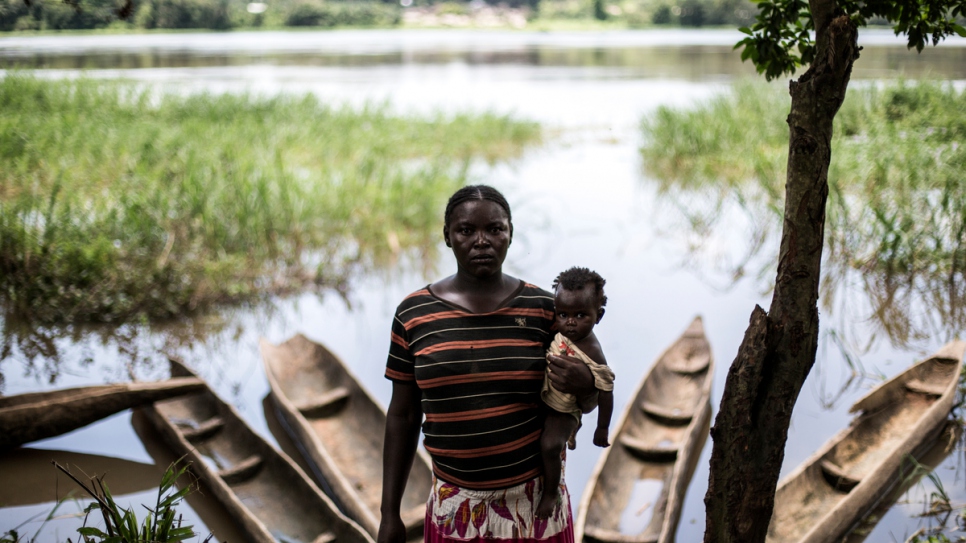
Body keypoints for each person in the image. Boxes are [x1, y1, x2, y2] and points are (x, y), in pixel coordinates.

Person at [378, 184, 599, 543]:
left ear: (510, 235)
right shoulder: (414, 315)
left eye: (495, 229)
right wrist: (390, 514)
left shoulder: (545, 310)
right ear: (447, 237)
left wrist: (587, 385)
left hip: (534, 503)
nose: (482, 241)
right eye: (466, 230)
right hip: (455, 506)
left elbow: (582, 403)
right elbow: (403, 416)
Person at [535, 267, 614, 520]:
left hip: (564, 408)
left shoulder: (592, 351)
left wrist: (602, 428)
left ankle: (549, 494)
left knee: (549, 446)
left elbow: (606, 391)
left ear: (598, 316)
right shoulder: (559, 330)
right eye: (563, 314)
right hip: (547, 396)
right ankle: (573, 432)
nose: (570, 322)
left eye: (581, 315)